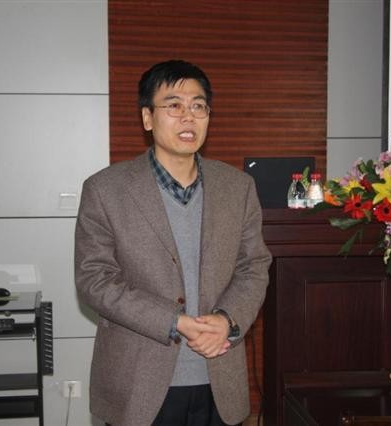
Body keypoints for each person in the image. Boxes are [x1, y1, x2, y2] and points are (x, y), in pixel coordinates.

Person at [74, 59, 271, 426]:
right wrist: (173, 321)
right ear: (147, 118)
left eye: (198, 106)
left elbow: (254, 266)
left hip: (219, 377)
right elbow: (95, 280)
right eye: (174, 105)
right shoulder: (105, 190)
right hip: (138, 383)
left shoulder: (238, 187)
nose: (188, 116)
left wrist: (228, 319)